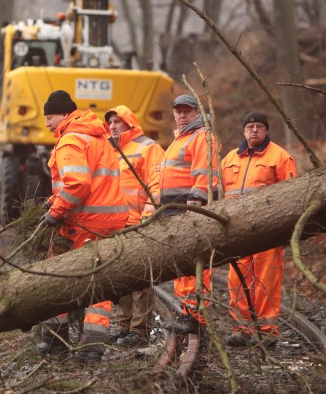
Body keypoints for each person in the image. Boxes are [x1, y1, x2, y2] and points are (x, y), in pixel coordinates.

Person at [40, 90, 128, 362]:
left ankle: (55, 342)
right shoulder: (97, 136)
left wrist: (55, 212)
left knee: (58, 275)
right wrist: (54, 199)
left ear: (65, 115)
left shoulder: (70, 140)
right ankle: (92, 345)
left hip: (84, 221)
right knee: (98, 281)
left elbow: (78, 184)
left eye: (50, 116)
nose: (47, 124)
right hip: (108, 218)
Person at [220, 111, 297, 347]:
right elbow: (220, 195)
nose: (254, 130)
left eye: (259, 127)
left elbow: (293, 196)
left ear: (266, 131)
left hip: (268, 232)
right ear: (244, 130)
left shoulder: (281, 157)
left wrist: (286, 231)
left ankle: (266, 332)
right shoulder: (229, 159)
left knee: (266, 283)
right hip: (238, 232)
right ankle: (241, 330)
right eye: (250, 126)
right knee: (237, 281)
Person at [148, 94, 219, 335]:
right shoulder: (181, 138)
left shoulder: (202, 136)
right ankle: (187, 312)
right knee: (181, 263)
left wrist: (195, 201)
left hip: (188, 209)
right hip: (173, 210)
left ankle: (195, 315)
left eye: (186, 111)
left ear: (197, 113)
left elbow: (205, 171)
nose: (181, 115)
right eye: (178, 111)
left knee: (193, 262)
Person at [104, 105, 164, 347]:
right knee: (120, 280)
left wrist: (148, 216)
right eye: (110, 123)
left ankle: (139, 331)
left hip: (138, 224)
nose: (113, 126)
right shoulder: (110, 151)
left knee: (140, 280)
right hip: (115, 226)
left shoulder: (148, 148)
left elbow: (157, 184)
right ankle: (123, 326)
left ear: (129, 122)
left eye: (118, 121)